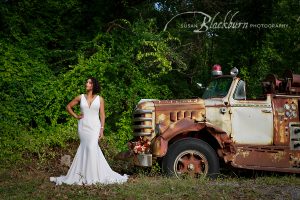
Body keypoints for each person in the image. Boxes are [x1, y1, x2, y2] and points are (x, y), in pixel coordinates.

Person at [50, 77, 128, 185]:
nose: (86, 84)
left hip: (95, 127)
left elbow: (102, 115)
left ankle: (93, 177)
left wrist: (102, 129)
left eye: (89, 82)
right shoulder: (80, 97)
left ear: (93, 85)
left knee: (92, 148)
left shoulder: (100, 99)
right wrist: (76, 116)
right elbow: (68, 107)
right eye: (86, 82)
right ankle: (83, 175)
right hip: (83, 127)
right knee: (85, 149)